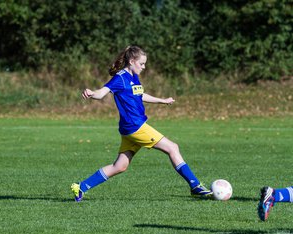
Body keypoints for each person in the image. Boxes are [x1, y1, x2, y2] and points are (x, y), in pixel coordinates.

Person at [71, 45, 212, 202]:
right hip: (136, 127)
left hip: (129, 129)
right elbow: (102, 93)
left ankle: (81, 187)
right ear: (132, 61)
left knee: (120, 166)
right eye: (142, 64)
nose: (144, 67)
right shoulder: (120, 78)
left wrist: (162, 101)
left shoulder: (133, 76)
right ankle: (195, 185)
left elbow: (139, 94)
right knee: (173, 148)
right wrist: (92, 93)